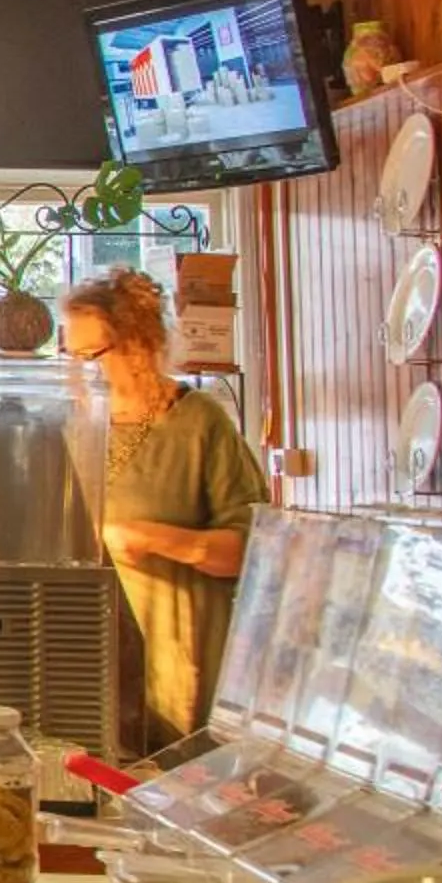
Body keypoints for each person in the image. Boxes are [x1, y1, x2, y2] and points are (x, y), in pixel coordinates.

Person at [61, 268, 269, 749]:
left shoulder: (197, 423)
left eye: (90, 356)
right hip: (89, 658)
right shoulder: (74, 425)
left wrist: (153, 539)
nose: (78, 371)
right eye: (70, 356)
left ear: (137, 344)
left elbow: (253, 552)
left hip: (175, 657)